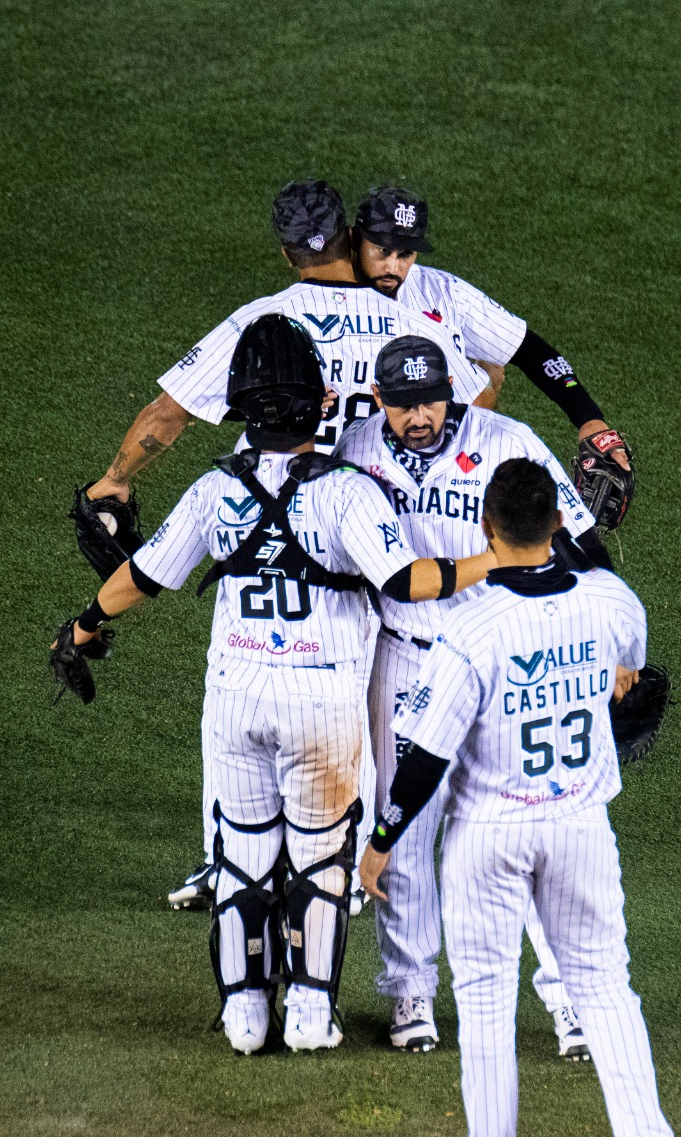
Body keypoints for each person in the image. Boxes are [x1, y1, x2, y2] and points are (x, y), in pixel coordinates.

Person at [53, 315, 495, 1056]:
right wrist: (495, 561)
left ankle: (244, 1018)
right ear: (324, 401)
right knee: (321, 864)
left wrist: (83, 626)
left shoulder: (211, 490)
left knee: (241, 857)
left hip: (234, 695)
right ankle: (310, 1016)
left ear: (239, 407)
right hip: (321, 702)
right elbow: (406, 581)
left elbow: (143, 576)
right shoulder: (349, 493)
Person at [74, 179, 493, 909]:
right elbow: (473, 394)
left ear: (286, 249)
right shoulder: (401, 319)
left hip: (264, 516)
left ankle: (226, 864)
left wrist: (114, 480)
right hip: (370, 524)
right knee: (349, 696)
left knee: (234, 697)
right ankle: (345, 873)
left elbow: (167, 416)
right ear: (350, 242)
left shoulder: (266, 316)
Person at [359, 458, 681, 1137]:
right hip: (579, 827)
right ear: (559, 526)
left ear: (484, 529)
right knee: (606, 990)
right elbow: (626, 676)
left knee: (483, 1001)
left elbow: (424, 759)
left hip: (489, 836)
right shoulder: (612, 602)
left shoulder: (469, 630)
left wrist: (380, 842)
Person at [334, 334, 611, 1058]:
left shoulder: (504, 441)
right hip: (401, 658)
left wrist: (610, 631)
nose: (416, 416)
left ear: (452, 391)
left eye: (428, 400)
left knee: (528, 823)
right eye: (400, 404)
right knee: (407, 833)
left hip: (496, 660)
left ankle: (571, 1004)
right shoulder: (355, 444)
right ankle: (410, 995)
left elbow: (577, 539)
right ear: (380, 400)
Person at [351, 185, 631, 471]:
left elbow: (532, 352)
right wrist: (483, 382)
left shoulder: (441, 291)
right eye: (383, 251)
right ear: (355, 238)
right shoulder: (319, 304)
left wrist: (589, 419)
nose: (393, 267)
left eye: (405, 254)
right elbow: (479, 403)